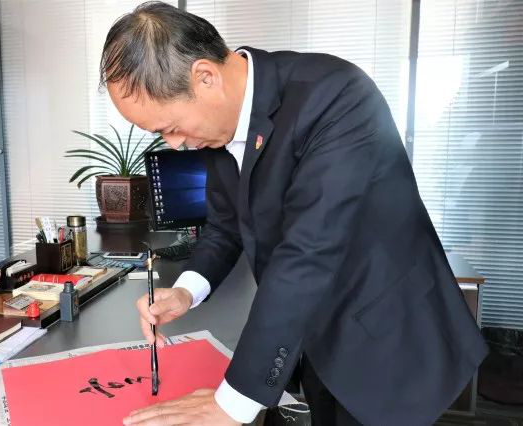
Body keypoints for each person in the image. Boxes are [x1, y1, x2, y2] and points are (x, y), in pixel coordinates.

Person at [101, 2, 488, 425]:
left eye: (170, 128)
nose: (174, 144)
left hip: (387, 334)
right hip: (313, 333)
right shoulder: (218, 127)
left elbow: (309, 251)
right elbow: (226, 224)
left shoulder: (335, 96)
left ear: (206, 77)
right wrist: (185, 291)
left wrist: (232, 402)